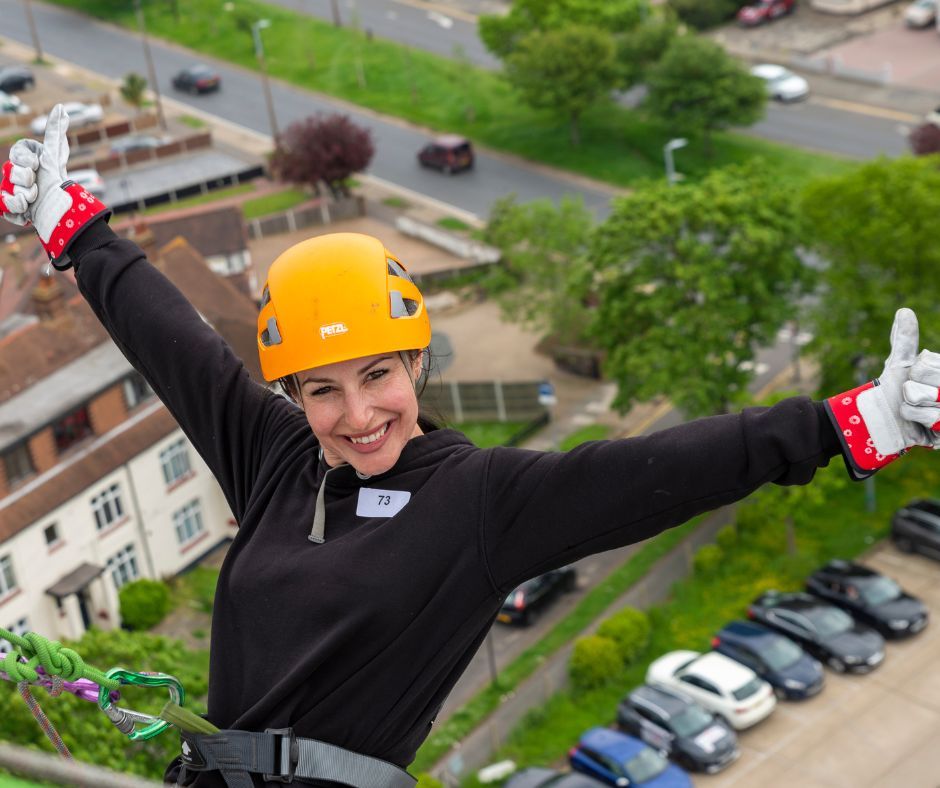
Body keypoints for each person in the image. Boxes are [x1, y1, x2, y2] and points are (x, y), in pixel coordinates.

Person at [3, 105, 939, 788]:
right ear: (291, 394)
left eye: (379, 376)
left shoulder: (481, 501)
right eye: (321, 391)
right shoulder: (275, 458)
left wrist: (849, 423)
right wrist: (72, 227)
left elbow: (663, 469)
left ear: (418, 362)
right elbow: (174, 344)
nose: (357, 413)